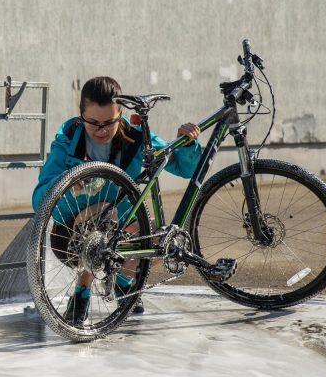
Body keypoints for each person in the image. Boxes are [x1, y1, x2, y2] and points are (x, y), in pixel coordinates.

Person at [32, 76, 202, 326]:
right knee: (106, 215)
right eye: (93, 123)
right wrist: (69, 187)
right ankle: (81, 294)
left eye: (109, 123)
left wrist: (187, 144)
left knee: (158, 239)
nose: (101, 130)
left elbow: (183, 168)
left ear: (120, 115)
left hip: (120, 234)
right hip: (71, 237)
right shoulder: (69, 140)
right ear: (81, 116)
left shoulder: (135, 139)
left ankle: (124, 284)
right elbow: (40, 200)